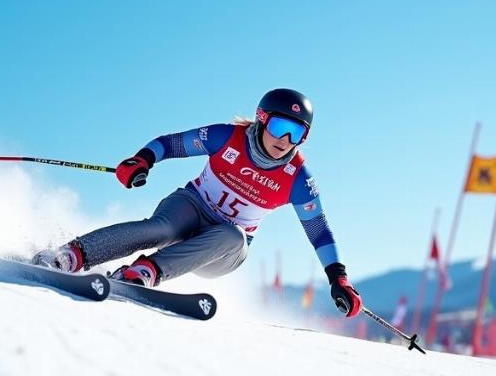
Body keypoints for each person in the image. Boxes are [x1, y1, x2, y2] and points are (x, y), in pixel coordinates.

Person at [32, 88, 364, 318]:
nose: (285, 140)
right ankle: (72, 255)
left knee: (234, 235)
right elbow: (171, 143)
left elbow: (319, 231)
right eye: (280, 127)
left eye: (297, 133)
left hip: (221, 248)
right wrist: (142, 160)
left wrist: (339, 279)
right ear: (262, 119)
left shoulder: (298, 178)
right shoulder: (228, 137)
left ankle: (144, 272)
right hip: (191, 207)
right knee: (161, 229)